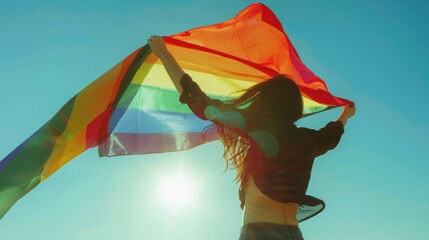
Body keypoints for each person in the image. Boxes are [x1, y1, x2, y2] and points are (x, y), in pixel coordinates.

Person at [148, 35, 356, 240]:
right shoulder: (309, 140)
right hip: (294, 234)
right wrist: (346, 113)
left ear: (267, 101)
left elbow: (199, 101)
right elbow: (334, 133)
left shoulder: (258, 126)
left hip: (260, 233)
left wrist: (165, 55)